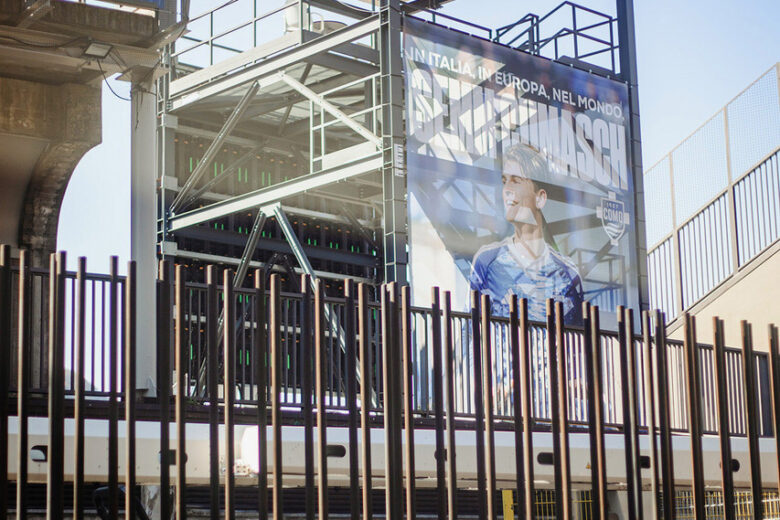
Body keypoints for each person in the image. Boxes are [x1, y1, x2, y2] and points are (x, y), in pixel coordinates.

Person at [469, 143, 584, 323]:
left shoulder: (568, 273)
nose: (507, 189)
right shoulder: (486, 260)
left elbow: (578, 344)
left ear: (540, 198)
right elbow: (471, 334)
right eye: (504, 181)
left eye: (516, 181)